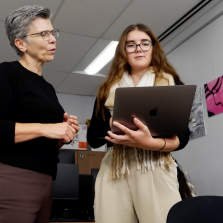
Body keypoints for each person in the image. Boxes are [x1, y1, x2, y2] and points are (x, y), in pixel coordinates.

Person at [87, 24, 190, 223]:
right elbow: (93, 138)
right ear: (123, 52)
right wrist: (117, 118)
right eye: (131, 45)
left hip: (155, 166)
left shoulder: (172, 85)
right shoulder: (106, 90)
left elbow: (183, 136)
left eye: (144, 43)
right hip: (116, 171)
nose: (138, 49)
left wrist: (151, 144)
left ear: (153, 48)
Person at [0, 5, 79, 223]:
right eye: (43, 34)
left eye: (52, 33)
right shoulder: (7, 73)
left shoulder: (48, 88)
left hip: (46, 182)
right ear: (20, 43)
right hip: (14, 179)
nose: (52, 39)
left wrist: (63, 135)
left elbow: (42, 141)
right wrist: (47, 128)